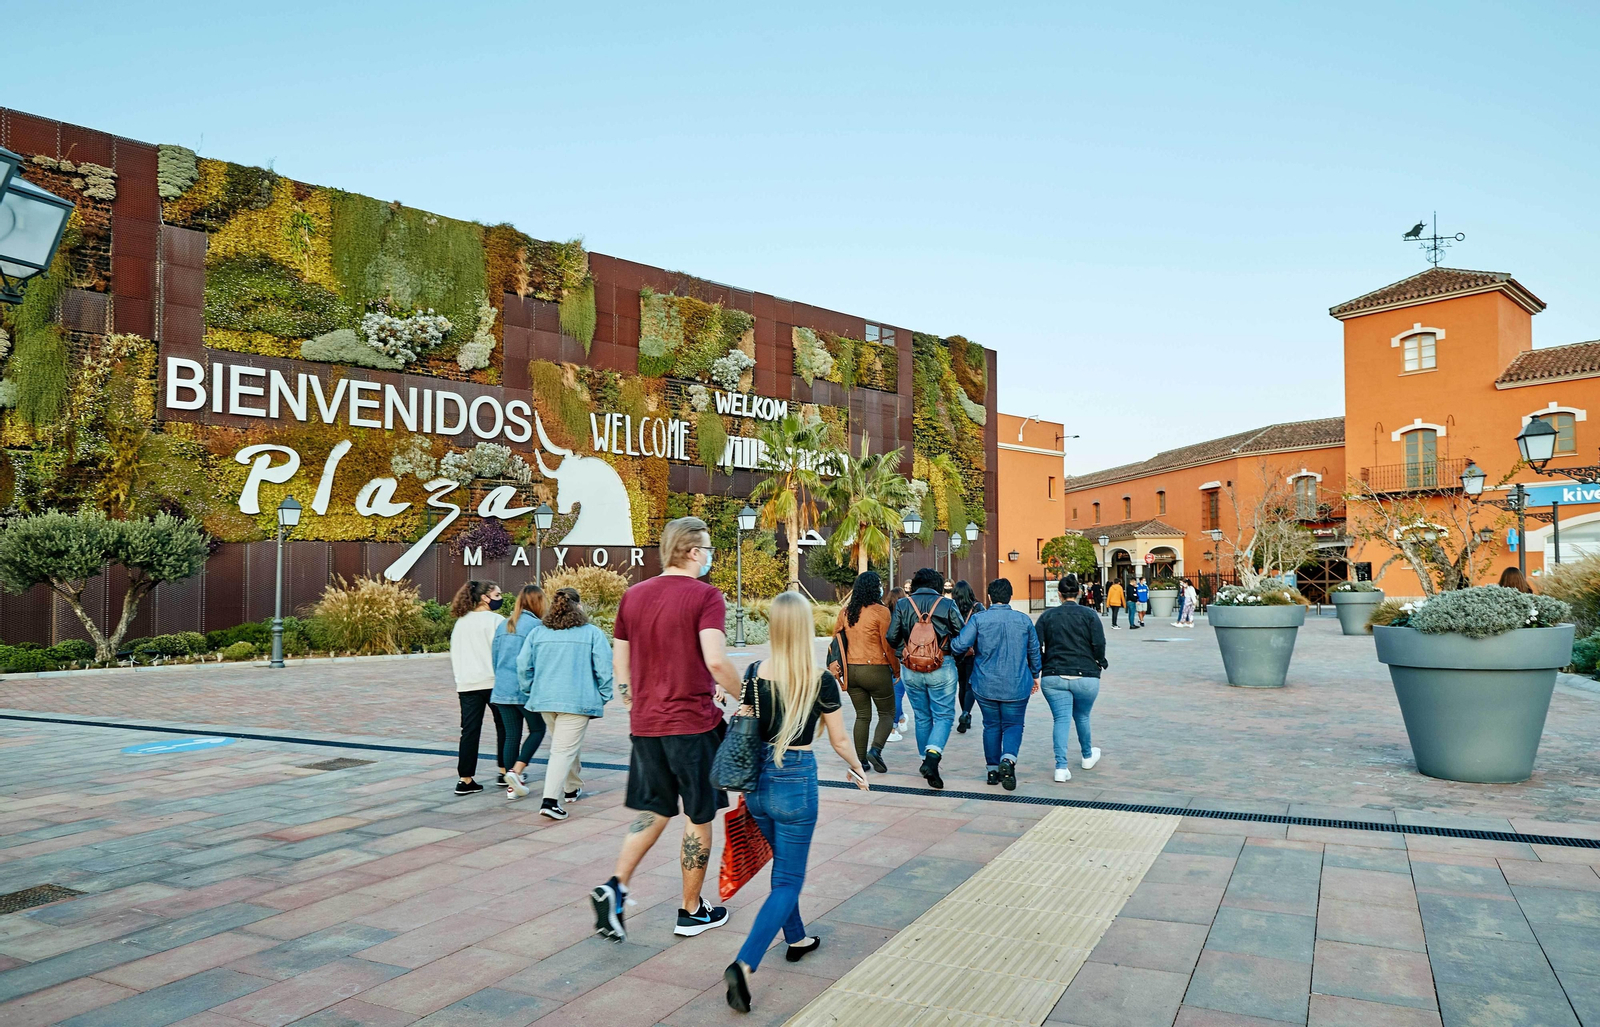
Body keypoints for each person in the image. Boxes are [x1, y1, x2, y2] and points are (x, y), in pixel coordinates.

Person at [591, 516, 740, 943]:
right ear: (694, 552)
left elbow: (621, 663)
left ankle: (614, 886)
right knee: (699, 813)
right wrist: (746, 694)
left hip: (647, 725)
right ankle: (691, 910)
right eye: (708, 549)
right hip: (693, 724)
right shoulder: (706, 596)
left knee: (654, 809)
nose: (710, 556)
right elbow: (715, 659)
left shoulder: (633, 596)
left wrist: (634, 702)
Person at [723, 592, 869, 1014]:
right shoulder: (818, 677)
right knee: (788, 879)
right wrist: (858, 768)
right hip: (795, 779)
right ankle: (744, 963)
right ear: (805, 627)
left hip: (757, 785)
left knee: (783, 869)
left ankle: (797, 937)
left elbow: (745, 724)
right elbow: (840, 739)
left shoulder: (753, 672)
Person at [519, 587, 614, 820]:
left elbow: (523, 665)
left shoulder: (538, 633)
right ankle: (550, 801)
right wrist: (603, 695)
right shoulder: (592, 633)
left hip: (545, 699)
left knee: (565, 744)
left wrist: (530, 689)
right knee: (563, 749)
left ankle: (571, 787)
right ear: (578, 607)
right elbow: (604, 669)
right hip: (577, 700)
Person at [951, 579, 1040, 791]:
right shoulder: (1023, 620)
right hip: (1017, 684)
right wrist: (1035, 674)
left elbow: (960, 645)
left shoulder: (979, 619)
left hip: (985, 683)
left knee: (991, 725)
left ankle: (992, 771)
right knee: (1013, 724)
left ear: (990, 597)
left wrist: (951, 645)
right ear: (1010, 596)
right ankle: (1008, 761)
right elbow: (1034, 651)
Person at [885, 568, 966, 789]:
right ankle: (932, 757)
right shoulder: (947, 605)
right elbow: (963, 633)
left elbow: (891, 637)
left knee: (922, 716)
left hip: (911, 669)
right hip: (942, 666)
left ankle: (925, 760)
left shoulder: (903, 604)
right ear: (938, 585)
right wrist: (950, 652)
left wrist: (905, 652)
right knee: (943, 715)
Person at [1035, 576, 1106, 782]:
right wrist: (1100, 660)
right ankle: (1087, 755)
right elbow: (1099, 643)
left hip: (1054, 674)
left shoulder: (1048, 617)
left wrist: (1041, 664)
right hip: (1086, 674)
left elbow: (1035, 644)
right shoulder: (1090, 615)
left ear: (1059, 594)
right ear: (1080, 592)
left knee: (1061, 719)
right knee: (1082, 716)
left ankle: (1061, 767)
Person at [834, 572, 900, 773]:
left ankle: (860, 760)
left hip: (852, 671)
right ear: (875, 588)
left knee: (862, 716)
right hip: (876, 669)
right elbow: (888, 645)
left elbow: (836, 640)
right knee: (887, 712)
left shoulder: (846, 612)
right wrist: (896, 669)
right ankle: (876, 750)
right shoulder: (881, 612)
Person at [449, 580, 505, 796]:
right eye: (497, 594)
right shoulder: (496, 621)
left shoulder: (461, 622)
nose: (500, 598)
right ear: (485, 597)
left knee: (470, 731)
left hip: (467, 683)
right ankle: (505, 771)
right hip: (493, 682)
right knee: (505, 727)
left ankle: (465, 779)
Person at [492, 584, 546, 802]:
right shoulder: (536, 626)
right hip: (525, 689)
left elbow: (494, 658)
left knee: (511, 735)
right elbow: (538, 660)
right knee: (537, 729)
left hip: (502, 688)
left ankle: (511, 783)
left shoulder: (504, 625)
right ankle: (516, 771)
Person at [951, 580, 981, 734]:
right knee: (969, 685)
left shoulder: (951, 607)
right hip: (973, 652)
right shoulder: (978, 608)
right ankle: (966, 713)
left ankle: (964, 713)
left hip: (957, 652)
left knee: (961, 685)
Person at [884, 587, 907, 742]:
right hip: (900, 656)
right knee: (898, 693)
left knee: (893, 692)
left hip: (885, 658)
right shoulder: (904, 615)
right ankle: (892, 727)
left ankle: (900, 718)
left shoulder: (884, 615)